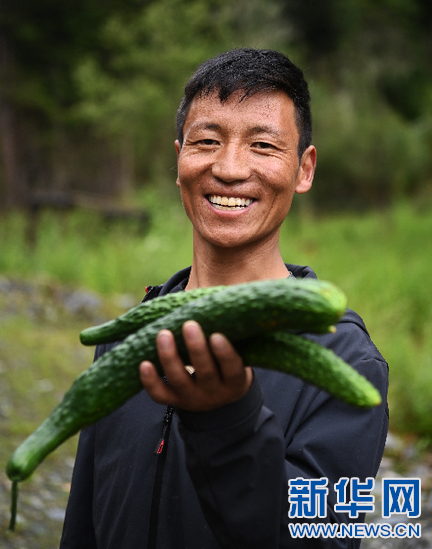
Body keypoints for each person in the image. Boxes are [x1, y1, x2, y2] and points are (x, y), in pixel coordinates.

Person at [60, 48, 388, 548]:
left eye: (263, 146)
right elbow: (83, 524)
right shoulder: (132, 335)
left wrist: (231, 423)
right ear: (179, 160)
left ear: (304, 170)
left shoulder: (346, 362)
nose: (230, 168)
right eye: (207, 141)